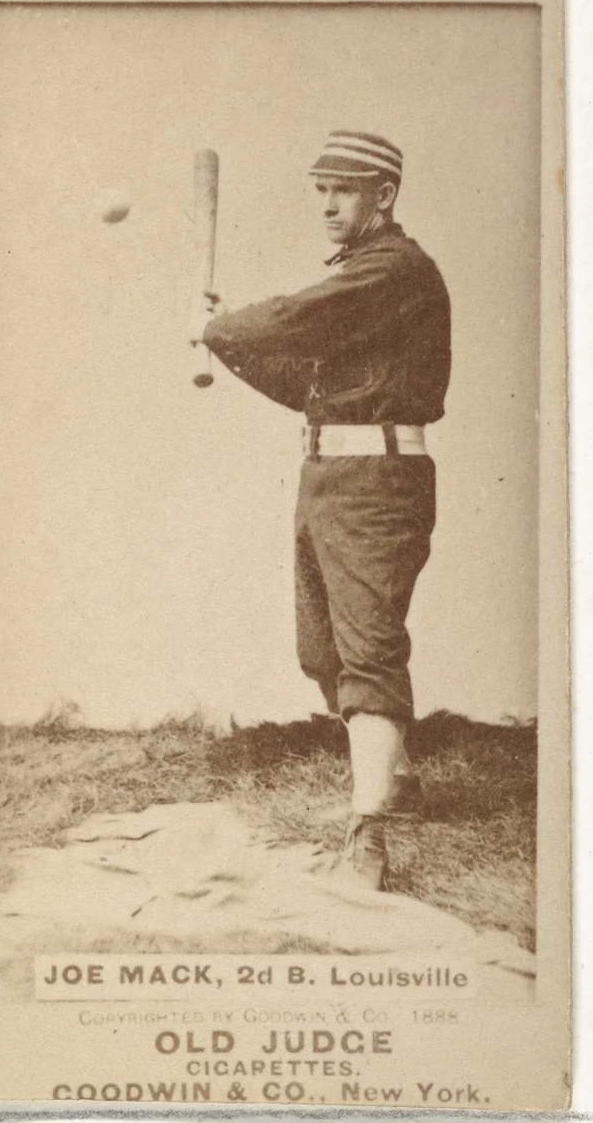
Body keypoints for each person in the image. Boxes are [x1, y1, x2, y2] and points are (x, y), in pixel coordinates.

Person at [202, 130, 451, 889]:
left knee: (369, 652)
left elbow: (288, 319)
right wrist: (229, 344)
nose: (328, 204)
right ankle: (396, 780)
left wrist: (224, 327)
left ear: (385, 196)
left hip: (380, 477)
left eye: (344, 189)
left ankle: (370, 837)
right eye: (320, 189)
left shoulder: (393, 270)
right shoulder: (359, 280)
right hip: (327, 471)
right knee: (324, 654)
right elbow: (302, 383)